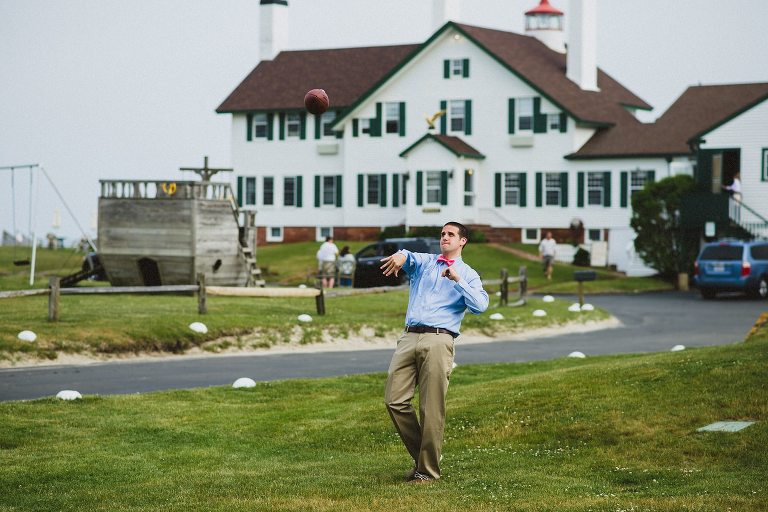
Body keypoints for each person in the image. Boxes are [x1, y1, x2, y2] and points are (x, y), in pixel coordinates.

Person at [380, 222, 489, 484]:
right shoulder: (427, 262)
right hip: (409, 336)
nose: (445, 238)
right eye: (442, 234)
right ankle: (424, 461)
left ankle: (427, 472)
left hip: (440, 340)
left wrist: (458, 280)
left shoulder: (468, 274)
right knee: (394, 400)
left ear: (463, 241)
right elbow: (408, 257)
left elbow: (480, 305)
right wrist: (399, 255)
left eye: (451, 234)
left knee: (431, 408)